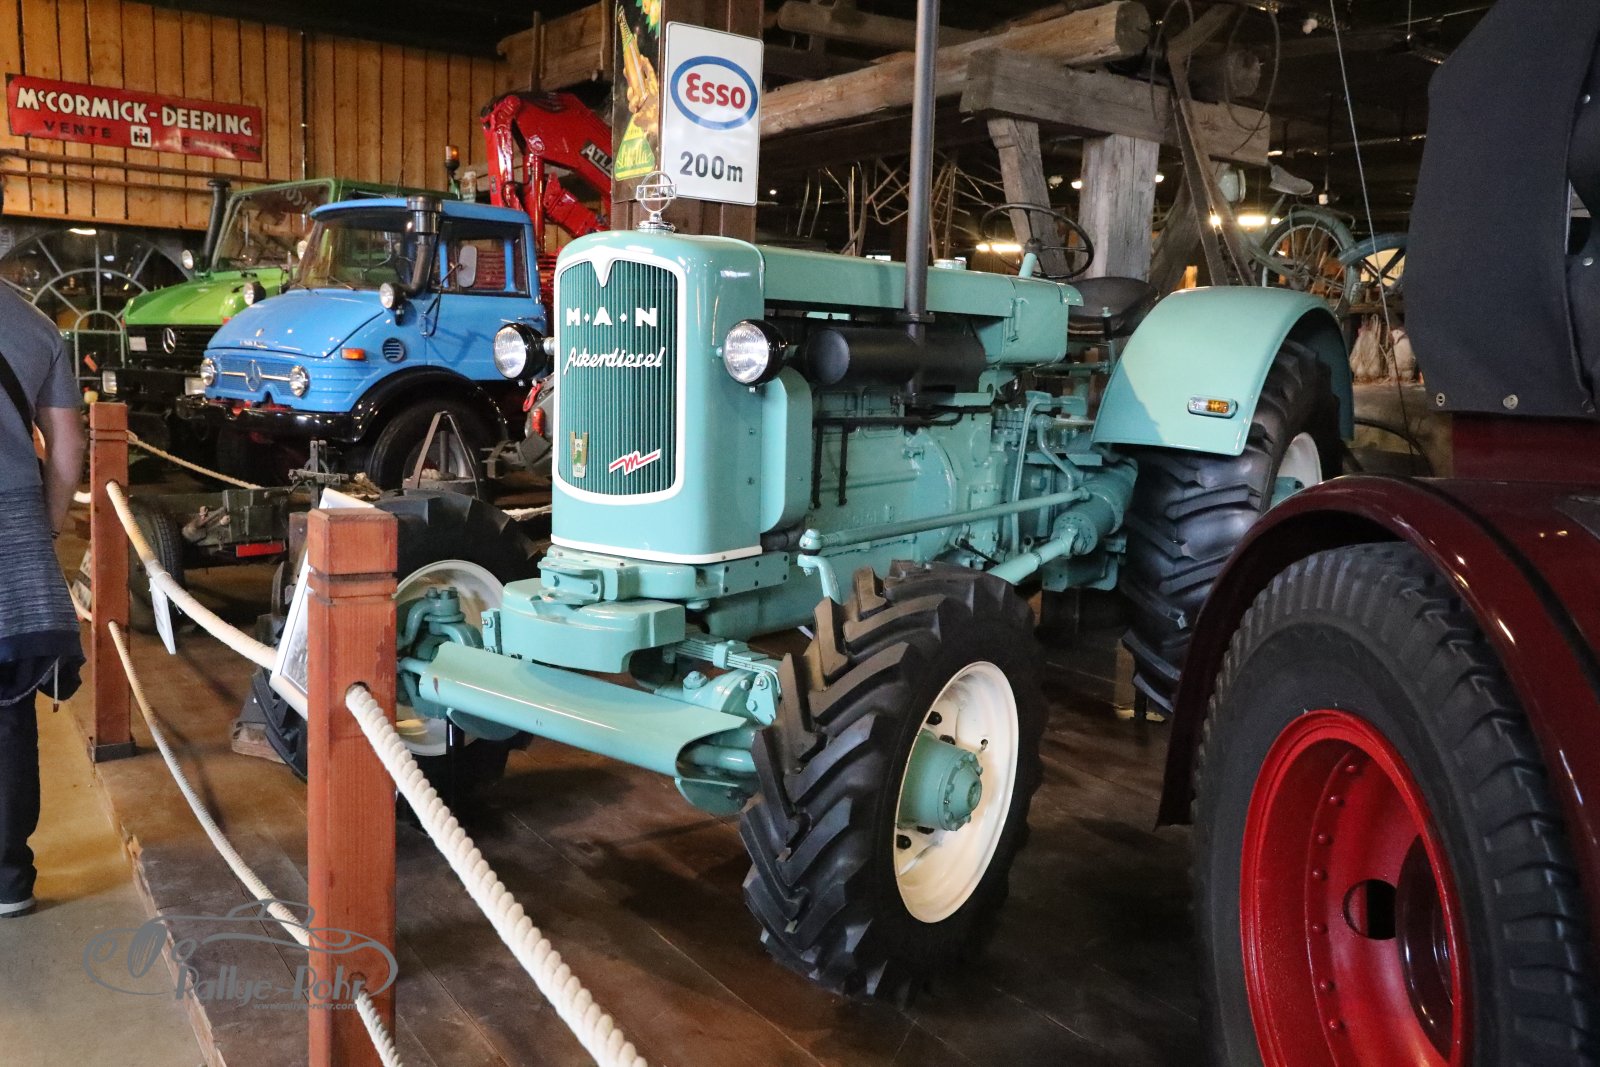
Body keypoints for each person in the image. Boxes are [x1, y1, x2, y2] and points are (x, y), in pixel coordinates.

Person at [0, 284, 86, 918]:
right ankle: (8, 878)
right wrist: (47, 527)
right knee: (8, 708)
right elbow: (67, 444)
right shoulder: (34, 325)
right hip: (15, 535)